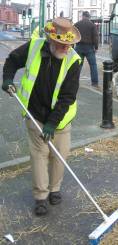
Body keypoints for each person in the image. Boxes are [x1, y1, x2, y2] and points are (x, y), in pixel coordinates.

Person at [2, 17, 81, 216]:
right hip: (34, 113)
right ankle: (40, 196)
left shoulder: (73, 60)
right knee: (39, 155)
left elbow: (67, 97)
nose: (66, 48)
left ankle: (54, 189)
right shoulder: (35, 47)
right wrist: (8, 79)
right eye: (62, 44)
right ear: (51, 41)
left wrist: (52, 124)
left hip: (61, 120)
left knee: (59, 156)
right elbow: (12, 60)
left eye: (69, 44)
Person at [75, 11, 99, 88]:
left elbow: (72, 34)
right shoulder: (92, 25)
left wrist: (72, 46)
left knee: (77, 65)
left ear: (83, 16)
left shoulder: (77, 24)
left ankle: (74, 81)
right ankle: (94, 83)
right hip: (89, 47)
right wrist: (96, 47)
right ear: (89, 17)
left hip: (79, 47)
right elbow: (95, 37)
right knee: (93, 65)